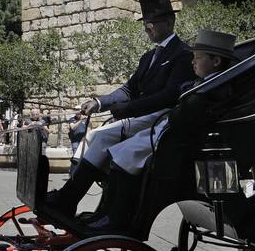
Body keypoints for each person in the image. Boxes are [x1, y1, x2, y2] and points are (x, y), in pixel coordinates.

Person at [46, 0, 195, 219]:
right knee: (97, 137)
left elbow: (169, 95)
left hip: (161, 118)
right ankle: (69, 199)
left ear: (169, 21)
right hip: (141, 118)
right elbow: (128, 89)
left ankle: (108, 213)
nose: (147, 27)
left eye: (152, 22)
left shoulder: (183, 55)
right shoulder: (148, 57)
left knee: (115, 146)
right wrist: (98, 103)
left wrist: (129, 109)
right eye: (145, 22)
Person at [85, 30, 239, 230]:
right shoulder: (204, 83)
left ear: (216, 61)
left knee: (126, 153)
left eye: (198, 57)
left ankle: (117, 218)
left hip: (180, 141)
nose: (193, 62)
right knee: (121, 151)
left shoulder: (215, 86)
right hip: (170, 133)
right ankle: (108, 213)